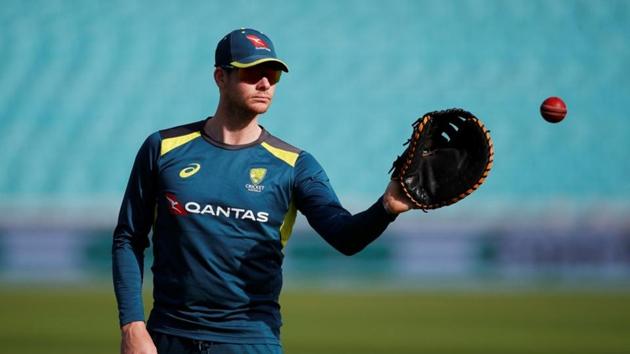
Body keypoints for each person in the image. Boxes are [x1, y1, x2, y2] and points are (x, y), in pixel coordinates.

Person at [112, 28, 414, 354]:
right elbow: (129, 237)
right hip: (168, 336)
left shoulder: (296, 164)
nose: (265, 83)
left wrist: (386, 207)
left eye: (272, 74)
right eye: (252, 72)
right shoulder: (164, 148)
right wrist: (132, 326)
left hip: (251, 340)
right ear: (220, 76)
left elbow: (345, 237)